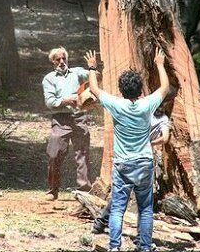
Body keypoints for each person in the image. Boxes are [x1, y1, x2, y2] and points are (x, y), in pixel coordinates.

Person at [84, 48, 169, 252]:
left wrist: (93, 67)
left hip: (123, 164)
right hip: (145, 162)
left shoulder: (116, 104)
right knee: (146, 209)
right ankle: (145, 247)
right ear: (140, 90)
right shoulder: (147, 105)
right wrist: (159, 64)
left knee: (117, 209)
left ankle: (115, 247)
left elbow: (94, 89)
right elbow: (165, 88)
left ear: (121, 90)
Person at [91, 103, 172, 235]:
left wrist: (149, 143)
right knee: (140, 201)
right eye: (160, 105)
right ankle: (104, 224)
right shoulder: (146, 112)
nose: (161, 107)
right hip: (136, 160)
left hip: (132, 158)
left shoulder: (162, 118)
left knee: (124, 196)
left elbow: (165, 137)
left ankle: (102, 224)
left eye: (163, 105)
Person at [42, 46, 92, 201]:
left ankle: (84, 190)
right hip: (60, 120)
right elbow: (50, 102)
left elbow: (94, 77)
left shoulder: (77, 72)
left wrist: (93, 67)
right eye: (58, 59)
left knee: (82, 155)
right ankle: (52, 190)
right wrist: (66, 100)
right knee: (54, 154)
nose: (62, 62)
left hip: (79, 118)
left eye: (64, 59)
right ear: (52, 62)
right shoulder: (49, 78)